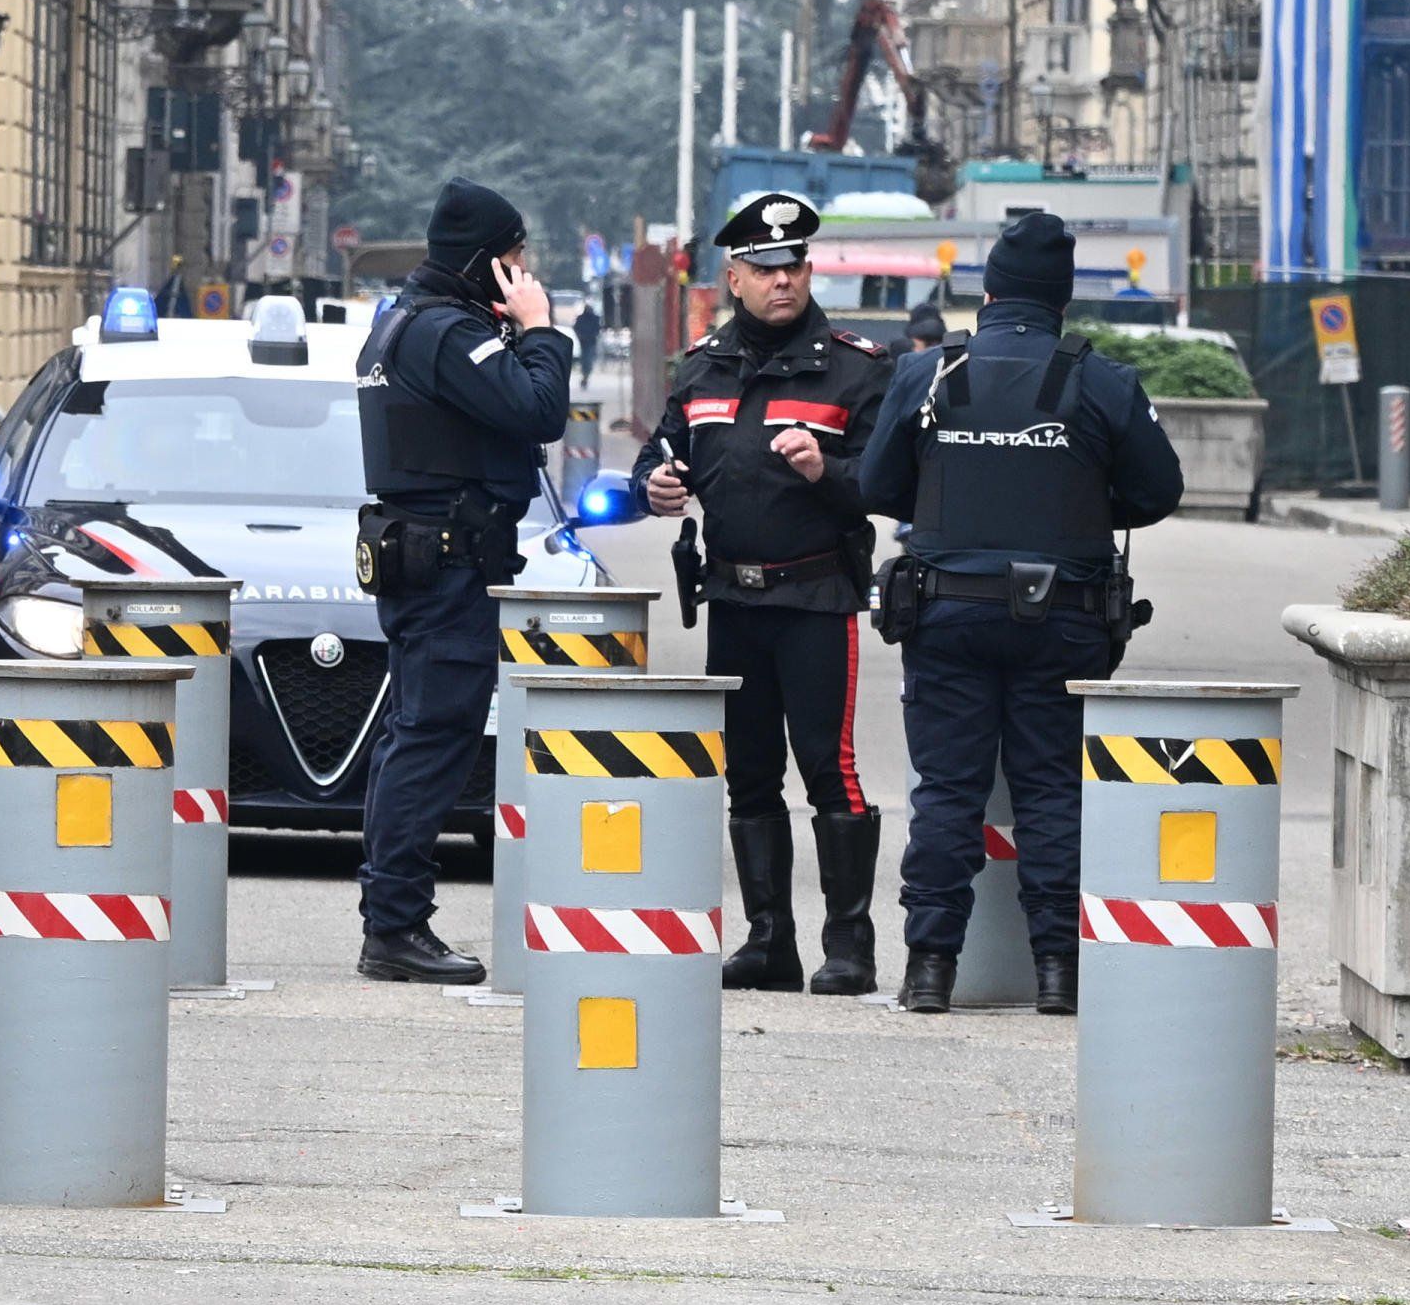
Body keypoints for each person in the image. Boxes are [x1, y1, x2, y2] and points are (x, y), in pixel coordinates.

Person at [858, 210, 1184, 1018]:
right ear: (1062, 301)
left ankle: (930, 967)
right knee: (1051, 791)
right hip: (1063, 622)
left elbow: (875, 486)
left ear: (990, 288)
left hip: (948, 615)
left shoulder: (929, 372)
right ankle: (1057, 974)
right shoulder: (1103, 381)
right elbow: (1157, 493)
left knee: (946, 789)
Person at [637, 192, 892, 996]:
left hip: (815, 595)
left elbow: (888, 484)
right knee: (748, 775)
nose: (784, 280)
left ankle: (848, 944)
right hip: (734, 600)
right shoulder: (705, 363)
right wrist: (658, 483)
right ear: (735, 276)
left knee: (829, 769)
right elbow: (661, 447)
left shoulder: (855, 367)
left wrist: (828, 471)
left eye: (795, 266)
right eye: (766, 268)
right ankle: (768, 939)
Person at [352, 177, 574, 984]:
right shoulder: (444, 332)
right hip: (445, 562)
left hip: (434, 555)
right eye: (516, 257)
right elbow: (541, 407)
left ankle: (390, 915)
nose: (525, 269)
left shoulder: (405, 322)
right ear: (488, 262)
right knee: (433, 734)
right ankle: (397, 926)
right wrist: (541, 328)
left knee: (412, 732)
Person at [572, 297, 605, 385]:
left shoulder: (593, 318)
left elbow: (597, 329)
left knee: (587, 359)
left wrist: (592, 335)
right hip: (585, 341)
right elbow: (576, 328)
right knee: (586, 359)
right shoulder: (584, 318)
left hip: (590, 341)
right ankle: (585, 375)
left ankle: (585, 375)